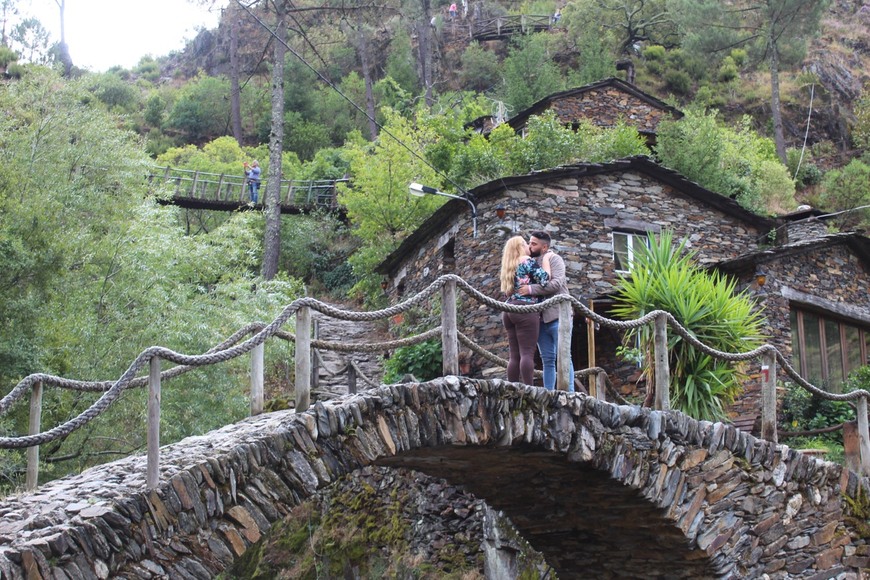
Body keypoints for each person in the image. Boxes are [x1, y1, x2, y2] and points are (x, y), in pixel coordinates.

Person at [519, 231, 575, 391]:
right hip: (540, 318)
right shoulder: (530, 262)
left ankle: (569, 392)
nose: (530, 246)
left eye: (534, 243)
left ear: (545, 247)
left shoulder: (555, 259)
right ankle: (549, 392)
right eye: (529, 243)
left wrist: (529, 289)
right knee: (547, 358)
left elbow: (556, 284)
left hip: (558, 315)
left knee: (564, 355)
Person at [500, 236, 551, 385]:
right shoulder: (527, 261)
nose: (529, 246)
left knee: (514, 356)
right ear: (520, 247)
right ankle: (530, 390)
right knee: (527, 353)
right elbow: (545, 279)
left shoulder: (509, 266)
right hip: (525, 309)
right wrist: (546, 260)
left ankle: (512, 388)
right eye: (525, 243)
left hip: (508, 309)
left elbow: (507, 292)